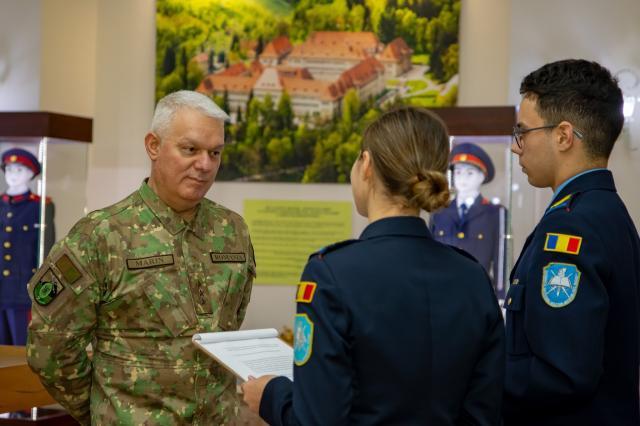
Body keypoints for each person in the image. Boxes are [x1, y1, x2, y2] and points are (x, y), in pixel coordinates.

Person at [242, 106, 505, 425]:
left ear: (366, 165)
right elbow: (485, 411)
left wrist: (271, 395)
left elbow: (318, 419)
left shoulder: (332, 273)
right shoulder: (472, 276)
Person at [26, 90, 256, 425]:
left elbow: (231, 325)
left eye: (215, 152)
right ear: (153, 145)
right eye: (190, 149)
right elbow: (49, 349)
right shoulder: (102, 234)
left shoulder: (232, 230)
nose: (205, 164)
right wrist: (103, 412)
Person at [503, 59, 640, 425]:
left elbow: (562, 374)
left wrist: (479, 370)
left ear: (563, 136)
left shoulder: (571, 227)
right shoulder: (606, 211)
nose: (517, 147)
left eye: (524, 132)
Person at [430, 142, 507, 298]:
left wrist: (500, 295)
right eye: (458, 172)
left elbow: (501, 259)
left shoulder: (495, 214)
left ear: (482, 177)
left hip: (477, 295)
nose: (462, 178)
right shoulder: (439, 212)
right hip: (442, 293)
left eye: (470, 173)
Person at [0, 148, 55, 345]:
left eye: (19, 170)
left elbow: (47, 249)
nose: (13, 176)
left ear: (31, 174)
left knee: (21, 348)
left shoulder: (40, 207)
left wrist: (44, 290)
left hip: (23, 289)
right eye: (9, 170)